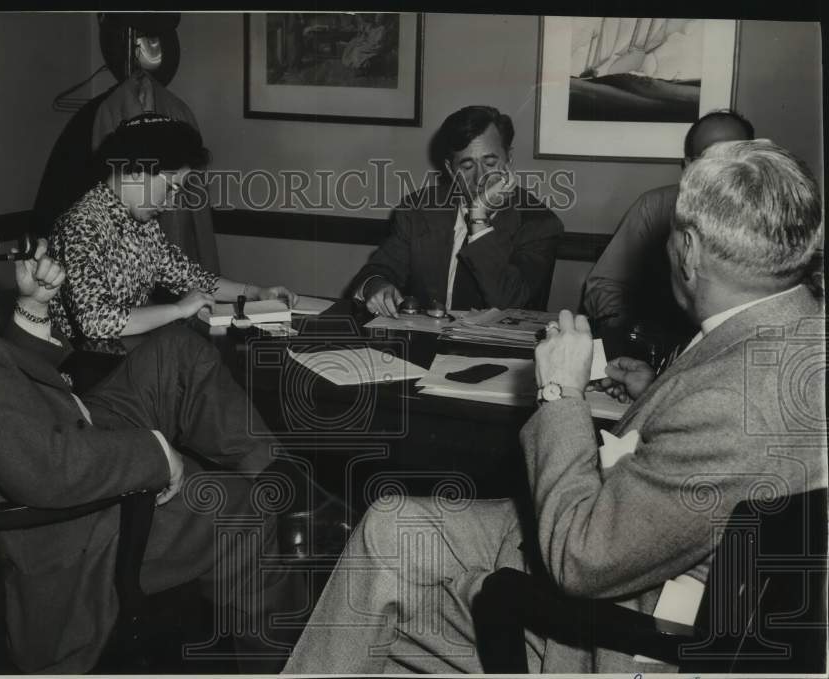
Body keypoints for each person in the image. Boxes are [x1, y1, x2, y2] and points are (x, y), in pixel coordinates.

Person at [283, 139, 826, 673]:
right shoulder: (791, 331)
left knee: (382, 601)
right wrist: (657, 393)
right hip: (636, 547)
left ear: (689, 250)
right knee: (388, 524)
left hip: (614, 625)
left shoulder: (734, 402)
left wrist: (560, 393)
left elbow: (579, 561)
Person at [0, 156, 305, 674]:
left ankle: (278, 475)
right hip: (59, 532)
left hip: (48, 434)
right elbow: (49, 468)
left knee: (174, 352)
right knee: (241, 510)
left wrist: (34, 305)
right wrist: (158, 454)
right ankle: (289, 661)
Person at [48, 113, 297, 339]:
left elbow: (190, 277)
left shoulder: (143, 224)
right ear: (137, 170)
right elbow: (95, 321)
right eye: (170, 188)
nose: (170, 203)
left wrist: (256, 293)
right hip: (85, 365)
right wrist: (178, 309)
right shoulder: (82, 224)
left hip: (127, 355)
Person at [352, 105, 563, 317]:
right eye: (467, 166)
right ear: (451, 170)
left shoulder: (539, 224)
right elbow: (378, 270)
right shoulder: (418, 209)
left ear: (509, 159)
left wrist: (478, 218)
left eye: (490, 162)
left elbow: (508, 302)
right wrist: (376, 286)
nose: (480, 177)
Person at [582, 109, 755, 347]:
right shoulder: (655, 208)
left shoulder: (773, 219)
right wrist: (629, 329)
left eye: (735, 156)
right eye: (710, 158)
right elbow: (605, 285)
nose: (724, 169)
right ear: (688, 166)